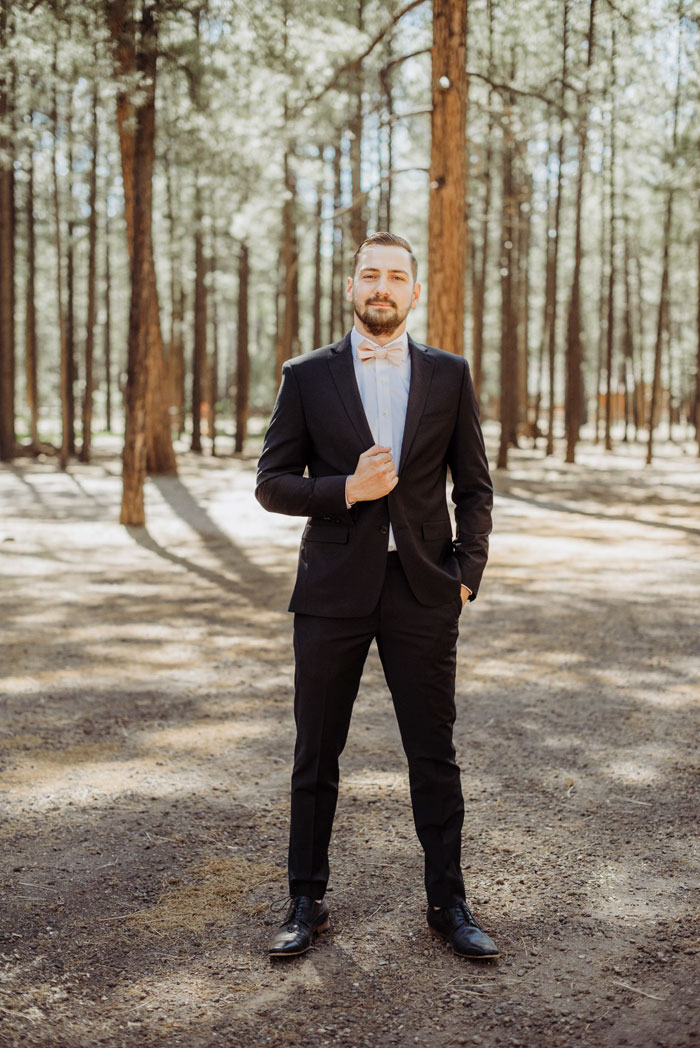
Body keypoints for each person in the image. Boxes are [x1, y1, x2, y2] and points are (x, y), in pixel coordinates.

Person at [256, 231, 497, 960]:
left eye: (396, 276)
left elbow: (475, 487)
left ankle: (448, 905)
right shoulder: (306, 376)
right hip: (331, 591)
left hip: (424, 590)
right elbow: (271, 484)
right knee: (315, 754)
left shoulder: (449, 375)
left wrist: (465, 576)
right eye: (370, 275)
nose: (382, 287)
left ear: (415, 291)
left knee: (434, 753)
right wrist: (344, 491)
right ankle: (305, 899)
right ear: (352, 287)